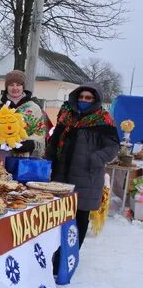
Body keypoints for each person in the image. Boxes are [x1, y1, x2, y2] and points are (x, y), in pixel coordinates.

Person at [47, 83, 119, 249]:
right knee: (59, 215)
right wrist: (49, 159)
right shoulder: (66, 116)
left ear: (95, 100)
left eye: (88, 98)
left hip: (87, 176)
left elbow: (112, 147)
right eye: (81, 97)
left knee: (80, 216)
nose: (83, 100)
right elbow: (54, 141)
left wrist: (95, 158)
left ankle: (72, 254)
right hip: (61, 174)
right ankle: (56, 254)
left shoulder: (103, 120)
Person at [0, 70, 48, 183]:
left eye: (18, 84)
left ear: (23, 87)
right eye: (11, 85)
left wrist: (29, 144)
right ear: (7, 87)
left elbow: (40, 132)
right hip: (0, 155)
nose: (15, 88)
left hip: (24, 157)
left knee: (18, 192)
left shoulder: (33, 108)